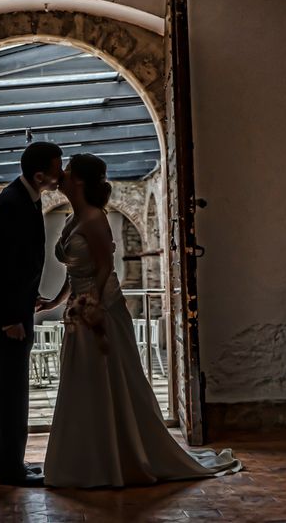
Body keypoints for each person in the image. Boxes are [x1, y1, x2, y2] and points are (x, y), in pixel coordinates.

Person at [39, 153, 242, 488]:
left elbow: (105, 268)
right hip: (79, 311)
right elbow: (76, 272)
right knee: (83, 384)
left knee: (111, 382)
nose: (61, 173)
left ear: (78, 179)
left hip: (102, 311)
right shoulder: (72, 220)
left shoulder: (93, 219)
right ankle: (88, 461)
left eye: (68, 169)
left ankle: (122, 459)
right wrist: (58, 301)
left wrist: (95, 308)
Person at [0, 141, 64, 487]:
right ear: (39, 174)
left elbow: (21, 263)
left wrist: (27, 298)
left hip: (13, 306)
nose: (62, 174)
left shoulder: (22, 198)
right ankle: (10, 469)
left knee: (4, 388)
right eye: (57, 168)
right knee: (12, 392)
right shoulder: (12, 204)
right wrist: (12, 316)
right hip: (7, 314)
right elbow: (4, 266)